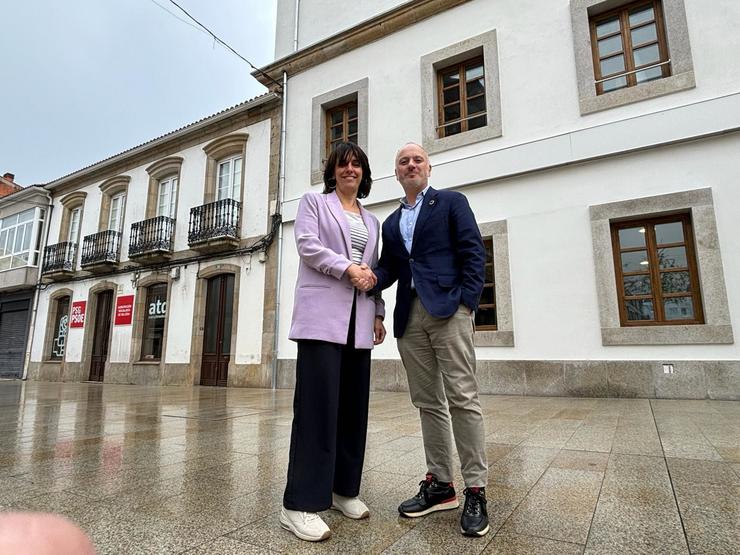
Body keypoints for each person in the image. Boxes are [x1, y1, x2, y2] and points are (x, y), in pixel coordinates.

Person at [360, 142, 489, 537]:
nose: (411, 165)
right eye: (403, 162)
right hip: (410, 317)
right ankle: (441, 484)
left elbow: (473, 253)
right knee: (428, 402)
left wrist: (467, 305)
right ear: (396, 173)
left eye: (417, 160)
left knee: (462, 398)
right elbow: (391, 269)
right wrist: (367, 278)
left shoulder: (451, 203)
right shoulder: (393, 221)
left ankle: (476, 490)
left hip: (450, 310)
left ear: (428, 169)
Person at [280, 142, 386, 542]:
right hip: (321, 321)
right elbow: (308, 246)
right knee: (316, 412)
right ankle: (298, 504)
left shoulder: (372, 221)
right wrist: (347, 269)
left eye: (357, 164)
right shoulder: (314, 203)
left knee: (352, 411)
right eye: (343, 164)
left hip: (358, 325)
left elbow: (372, 270)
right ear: (332, 171)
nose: (350, 170)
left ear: (364, 173)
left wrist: (378, 312)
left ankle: (344, 490)